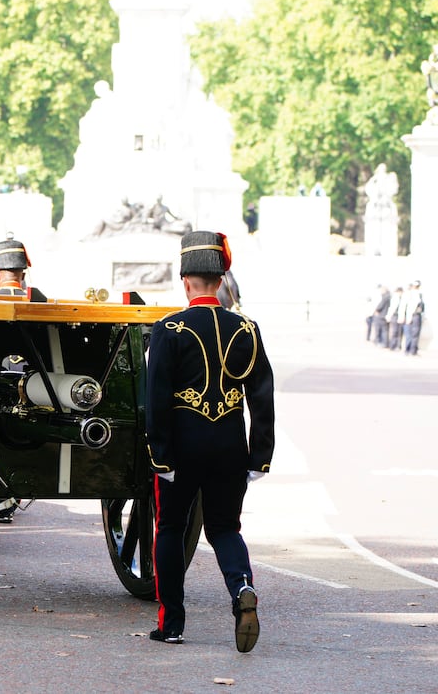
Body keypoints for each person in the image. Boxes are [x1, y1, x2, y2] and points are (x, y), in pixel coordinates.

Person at [145, 230, 274, 653]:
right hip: (230, 446)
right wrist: (260, 456)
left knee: (170, 528)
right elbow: (262, 396)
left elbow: (157, 398)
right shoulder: (247, 328)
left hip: (182, 449)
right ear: (221, 281)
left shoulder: (169, 328)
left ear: (185, 281)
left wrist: (159, 454)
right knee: (224, 528)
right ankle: (241, 590)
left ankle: (173, 624)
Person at [401, 280, 424, 356]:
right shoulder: (416, 294)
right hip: (414, 316)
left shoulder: (409, 293)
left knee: (409, 334)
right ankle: (412, 351)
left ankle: (408, 350)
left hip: (410, 316)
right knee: (414, 335)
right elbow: (413, 306)